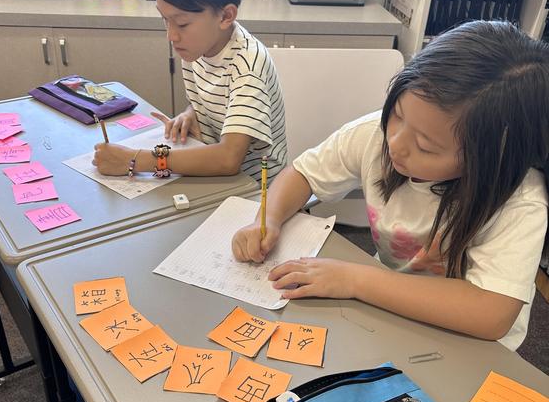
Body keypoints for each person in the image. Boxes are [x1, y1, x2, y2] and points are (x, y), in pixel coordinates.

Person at [232, 21, 549, 350]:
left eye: (426, 146)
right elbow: (303, 174)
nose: (395, 142)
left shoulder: (520, 201)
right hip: (387, 305)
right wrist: (267, 219)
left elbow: (491, 314)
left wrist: (356, 279)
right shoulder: (375, 134)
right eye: (396, 114)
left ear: (493, 156)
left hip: (467, 341)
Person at [93, 0, 287, 182]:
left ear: (226, 16)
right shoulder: (198, 45)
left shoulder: (247, 66)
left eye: (182, 23)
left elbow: (228, 159)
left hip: (257, 193)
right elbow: (218, 101)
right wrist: (192, 113)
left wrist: (134, 160)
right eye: (165, 20)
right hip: (214, 180)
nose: (171, 35)